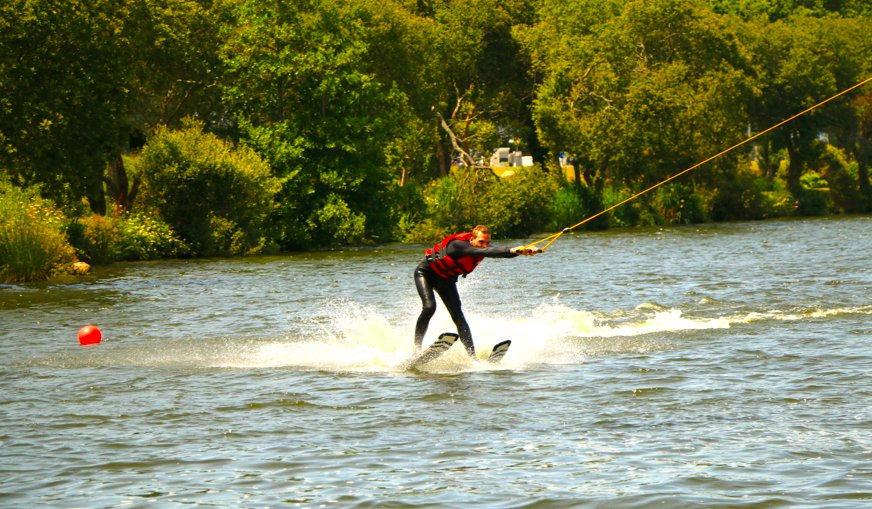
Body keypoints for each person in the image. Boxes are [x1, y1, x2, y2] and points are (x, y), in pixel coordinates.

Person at [413, 225, 539, 357]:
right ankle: (416, 347)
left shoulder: (481, 247)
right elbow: (487, 252)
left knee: (458, 316)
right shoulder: (458, 245)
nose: (484, 245)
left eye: (487, 242)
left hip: (445, 279)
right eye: (481, 242)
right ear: (471, 239)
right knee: (429, 307)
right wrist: (514, 250)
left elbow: (499, 251)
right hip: (426, 274)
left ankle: (472, 356)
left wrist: (524, 251)